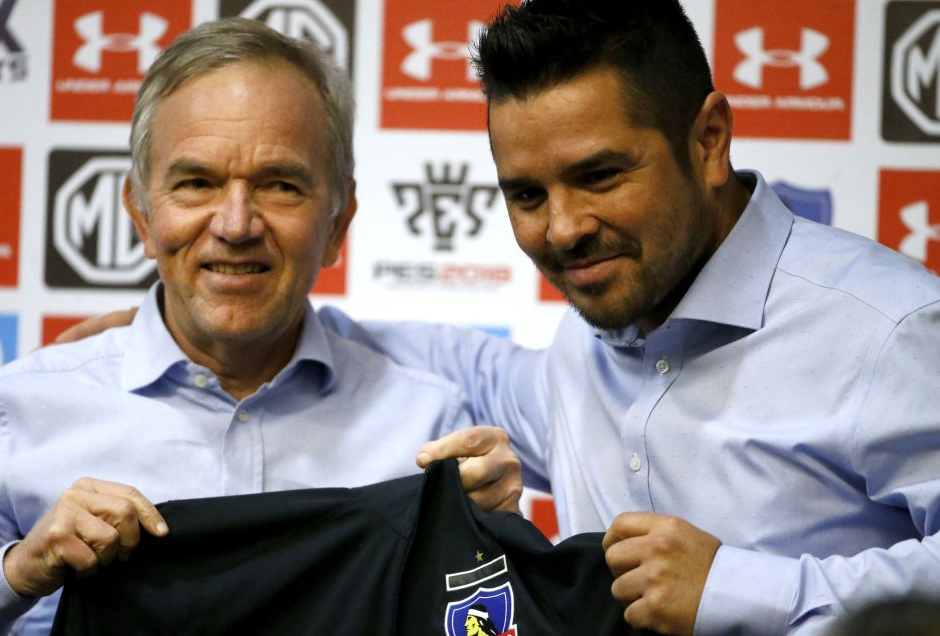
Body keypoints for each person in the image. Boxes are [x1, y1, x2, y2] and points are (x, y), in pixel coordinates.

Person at [56, 1, 940, 635]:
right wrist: (190, 323)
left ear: (708, 139)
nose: (561, 228)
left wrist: (744, 590)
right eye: (525, 192)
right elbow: (434, 357)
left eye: (600, 175)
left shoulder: (888, 330)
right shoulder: (587, 342)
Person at [0, 18, 519, 636]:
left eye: (280, 186)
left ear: (339, 223)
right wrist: (21, 570)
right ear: (140, 213)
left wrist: (491, 546)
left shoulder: (429, 429)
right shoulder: (13, 413)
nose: (236, 224)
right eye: (196, 183)